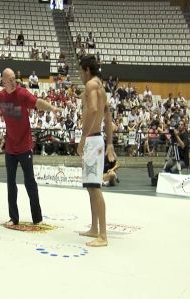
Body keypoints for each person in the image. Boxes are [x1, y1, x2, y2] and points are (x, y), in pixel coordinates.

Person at [0, 68, 60, 226]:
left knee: (30, 182)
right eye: (9, 79)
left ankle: (37, 218)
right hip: (10, 148)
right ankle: (13, 217)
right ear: (3, 81)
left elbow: (37, 102)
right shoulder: (1, 97)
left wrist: (52, 108)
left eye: (14, 79)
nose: (13, 81)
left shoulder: (23, 94)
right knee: (11, 183)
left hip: (25, 146)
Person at [77, 55, 116, 247]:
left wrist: (83, 138)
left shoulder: (90, 86)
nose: (80, 75)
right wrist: (110, 143)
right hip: (98, 138)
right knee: (92, 187)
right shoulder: (101, 87)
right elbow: (107, 116)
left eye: (80, 71)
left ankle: (103, 235)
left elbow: (92, 110)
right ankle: (95, 228)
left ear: (86, 69)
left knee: (95, 187)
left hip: (92, 139)